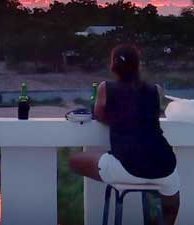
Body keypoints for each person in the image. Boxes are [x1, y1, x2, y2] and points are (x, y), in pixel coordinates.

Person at [69, 44, 180, 225]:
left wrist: (119, 121)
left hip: (126, 166)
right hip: (164, 164)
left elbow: (98, 114)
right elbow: (152, 115)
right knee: (172, 193)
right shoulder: (155, 90)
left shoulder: (105, 88)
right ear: (138, 65)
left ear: (113, 65)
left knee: (74, 160)